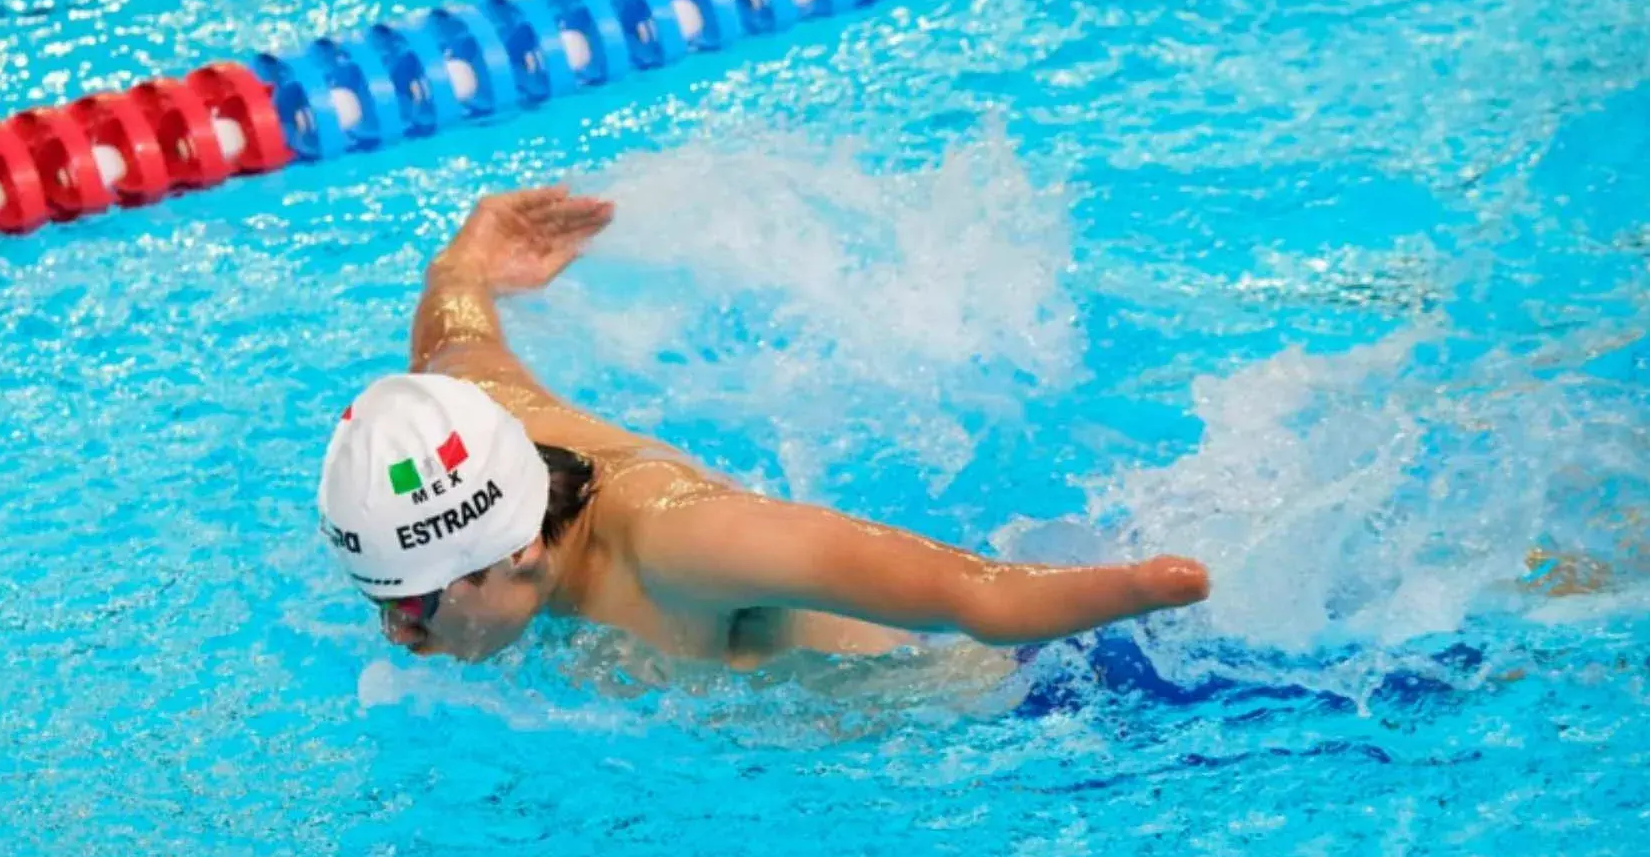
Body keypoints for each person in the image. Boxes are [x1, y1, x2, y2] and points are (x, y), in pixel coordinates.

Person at [318, 186, 1211, 665]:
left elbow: (966, 591)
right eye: (385, 600)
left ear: (518, 551)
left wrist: (1143, 588)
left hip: (1008, 701)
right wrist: (467, 260)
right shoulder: (467, 422)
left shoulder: (683, 543)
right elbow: (452, 339)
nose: (399, 636)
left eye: (413, 604)